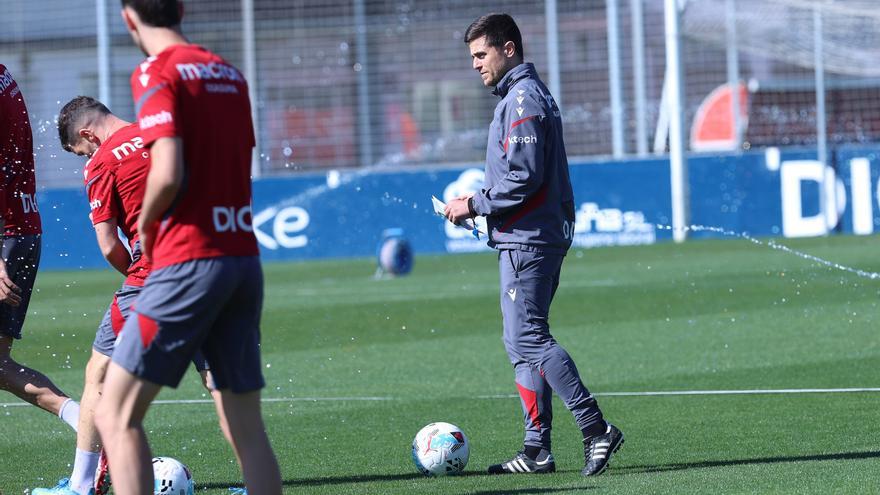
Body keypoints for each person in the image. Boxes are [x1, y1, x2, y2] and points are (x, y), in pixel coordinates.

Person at [94, 1, 282, 494]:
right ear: (180, 10)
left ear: (128, 19)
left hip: (188, 261)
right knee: (247, 427)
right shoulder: (229, 73)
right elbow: (244, 154)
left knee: (115, 413)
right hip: (241, 257)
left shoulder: (156, 70)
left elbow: (168, 169)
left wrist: (151, 225)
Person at [445, 13, 624, 476]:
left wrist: (475, 203)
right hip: (525, 237)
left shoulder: (523, 99)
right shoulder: (518, 97)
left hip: (530, 240)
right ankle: (536, 449)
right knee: (519, 344)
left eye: (481, 55)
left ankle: (595, 428)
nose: (475, 65)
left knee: (529, 338)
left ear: (508, 49)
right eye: (472, 57)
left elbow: (524, 176)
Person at [33, 96, 226, 495]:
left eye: (81, 150)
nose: (85, 157)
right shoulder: (163, 134)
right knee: (217, 375)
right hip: (210, 263)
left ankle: (81, 486)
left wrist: (138, 277)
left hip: (156, 273)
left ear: (88, 134)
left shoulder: (102, 162)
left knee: (98, 374)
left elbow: (108, 245)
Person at [0, 63, 81, 433]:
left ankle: (95, 431)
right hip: (21, 228)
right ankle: (89, 427)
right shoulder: (3, 74)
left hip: (7, 234)